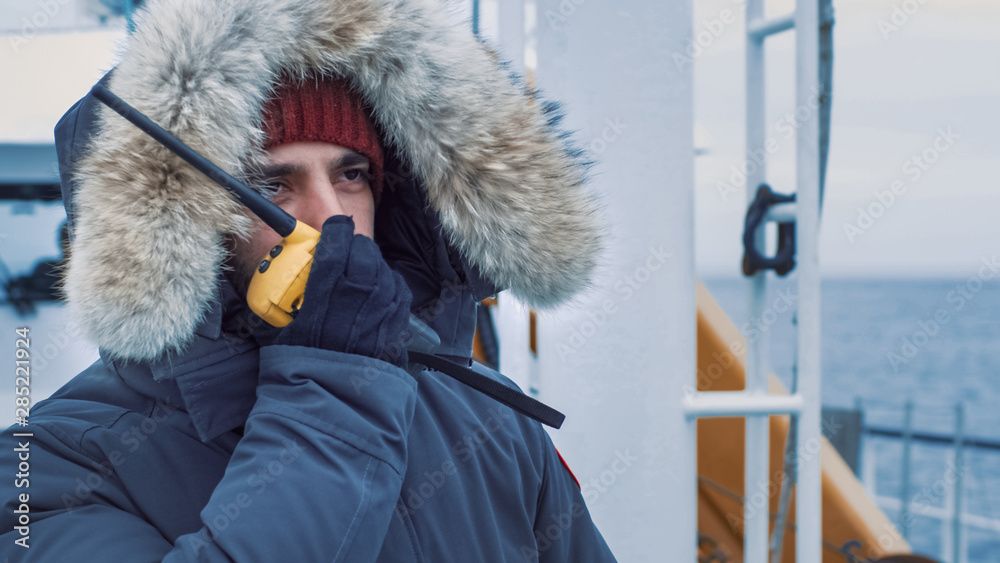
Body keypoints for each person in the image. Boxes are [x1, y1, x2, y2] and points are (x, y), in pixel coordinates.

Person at [0, 0, 614, 560]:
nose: (332, 217)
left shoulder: (489, 418)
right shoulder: (45, 470)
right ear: (180, 226)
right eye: (271, 186)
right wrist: (335, 385)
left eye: (351, 175)